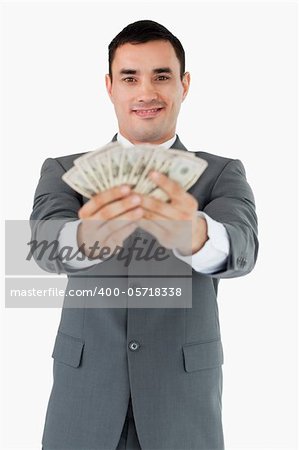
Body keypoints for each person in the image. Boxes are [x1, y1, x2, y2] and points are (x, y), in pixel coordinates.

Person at [30, 20, 259, 450]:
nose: (146, 92)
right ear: (110, 86)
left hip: (182, 406)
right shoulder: (64, 172)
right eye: (130, 77)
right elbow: (42, 244)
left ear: (184, 84)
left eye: (162, 76)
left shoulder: (220, 174)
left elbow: (243, 247)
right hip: (83, 404)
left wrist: (195, 233)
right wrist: (84, 236)